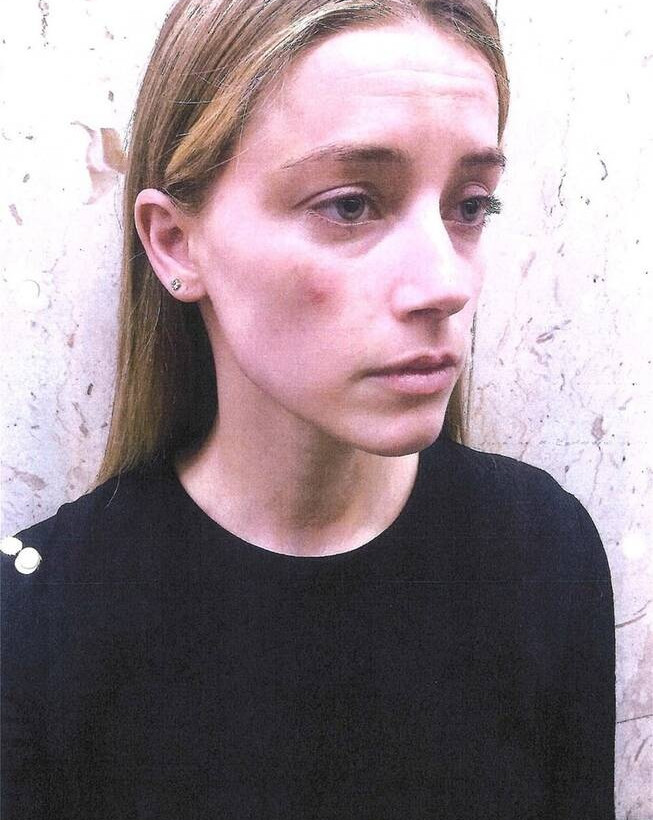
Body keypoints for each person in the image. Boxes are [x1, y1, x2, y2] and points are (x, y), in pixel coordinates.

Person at [1, 1, 615, 818]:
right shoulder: (36, 622)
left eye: (469, 205)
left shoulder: (539, 550)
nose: (446, 283)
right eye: (350, 204)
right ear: (176, 243)